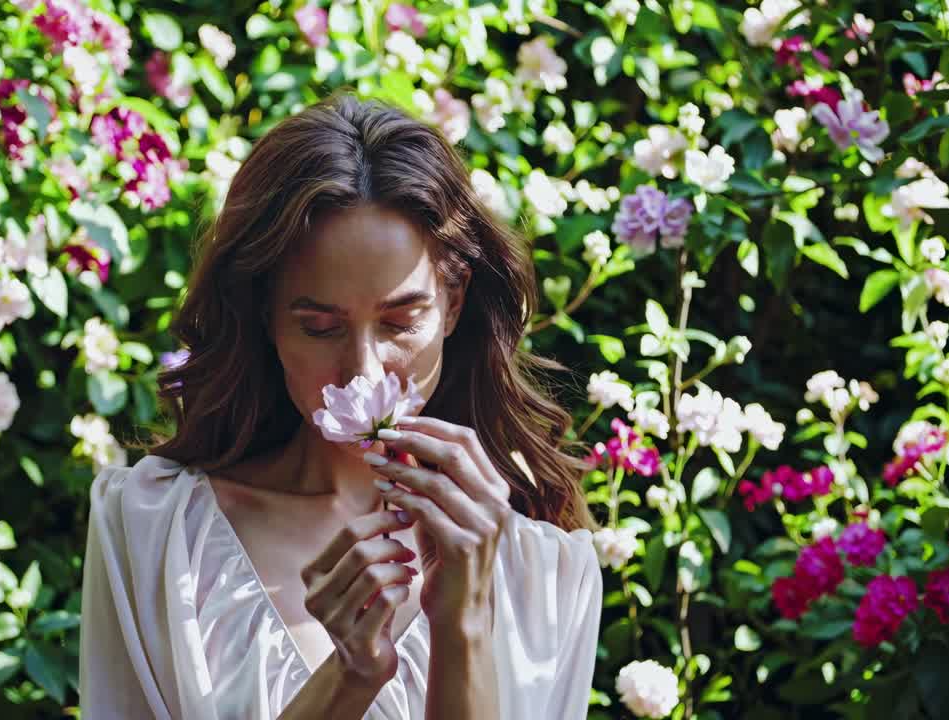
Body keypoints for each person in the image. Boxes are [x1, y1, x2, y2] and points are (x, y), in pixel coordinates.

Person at [80, 91, 601, 720]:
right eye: (321, 327)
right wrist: (351, 677)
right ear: (267, 317)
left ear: (453, 303)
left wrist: (462, 624)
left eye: (400, 322)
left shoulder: (546, 576)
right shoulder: (157, 533)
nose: (364, 371)